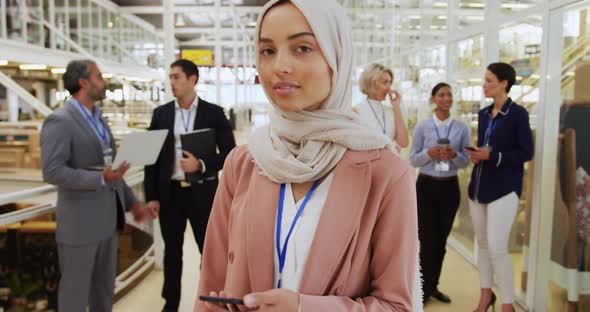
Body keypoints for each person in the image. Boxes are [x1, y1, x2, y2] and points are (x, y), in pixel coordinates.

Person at [195, 0, 420, 311]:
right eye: (267, 51)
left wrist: (304, 308)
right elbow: (212, 284)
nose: (279, 66)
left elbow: (396, 305)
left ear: (336, 57)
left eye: (302, 48)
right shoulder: (244, 163)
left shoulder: (384, 173)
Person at [40, 59, 156, 312]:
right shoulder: (60, 121)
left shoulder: (98, 117)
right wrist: (99, 178)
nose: (105, 83)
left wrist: (133, 203)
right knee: (75, 296)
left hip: (105, 223)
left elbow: (112, 169)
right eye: (100, 77)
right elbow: (52, 171)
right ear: (84, 82)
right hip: (79, 227)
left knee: (104, 294)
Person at [143, 59, 236, 312]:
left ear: (192, 79)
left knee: (209, 252)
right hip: (170, 194)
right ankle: (170, 304)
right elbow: (150, 160)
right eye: (170, 77)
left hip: (202, 194)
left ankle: (212, 302)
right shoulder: (161, 114)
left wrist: (202, 165)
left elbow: (230, 154)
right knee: (172, 254)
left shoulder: (213, 113)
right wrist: (151, 196)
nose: (171, 82)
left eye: (176, 77)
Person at [465, 63, 533, 312]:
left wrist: (491, 157)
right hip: (479, 187)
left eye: (489, 80)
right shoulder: (484, 114)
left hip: (504, 189)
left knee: (497, 247)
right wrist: (477, 155)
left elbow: (526, 152)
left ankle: (507, 304)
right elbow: (487, 149)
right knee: (482, 245)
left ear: (504, 83)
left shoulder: (518, 114)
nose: (484, 85)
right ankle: (485, 297)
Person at [409, 83, 471, 304]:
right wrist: (429, 153)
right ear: (433, 99)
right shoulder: (423, 127)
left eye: (449, 95)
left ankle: (433, 285)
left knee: (441, 242)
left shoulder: (461, 128)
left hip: (449, 188)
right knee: (427, 241)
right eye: (442, 95)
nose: (447, 98)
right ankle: (421, 288)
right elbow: (413, 158)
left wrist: (454, 154)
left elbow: (465, 161)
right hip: (425, 187)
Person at [355, 63, 410, 149]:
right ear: (371, 83)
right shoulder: (356, 111)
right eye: (385, 82)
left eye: (390, 82)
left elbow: (404, 143)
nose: (389, 88)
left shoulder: (391, 111)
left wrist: (396, 107)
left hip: (391, 161)